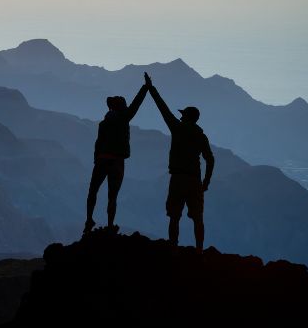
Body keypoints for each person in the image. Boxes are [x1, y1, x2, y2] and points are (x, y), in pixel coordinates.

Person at [144, 72, 214, 253]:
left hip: (178, 179)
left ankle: (173, 249)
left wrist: (151, 88)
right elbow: (210, 159)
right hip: (195, 180)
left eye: (183, 115)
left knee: (174, 217)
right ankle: (199, 251)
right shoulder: (201, 136)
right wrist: (206, 181)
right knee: (198, 218)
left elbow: (163, 108)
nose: (181, 117)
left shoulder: (177, 128)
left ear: (186, 117)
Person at [84, 81, 148, 235]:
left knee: (93, 192)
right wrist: (145, 87)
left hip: (101, 160)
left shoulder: (104, 123)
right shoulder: (124, 118)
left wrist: (96, 159)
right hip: (117, 162)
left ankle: (89, 219)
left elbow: (98, 143)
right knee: (112, 196)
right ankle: (110, 225)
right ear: (121, 106)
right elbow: (136, 103)